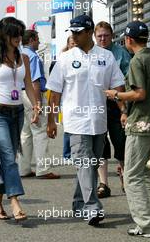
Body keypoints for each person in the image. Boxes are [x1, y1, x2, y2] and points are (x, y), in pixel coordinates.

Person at [46, 14, 125, 226]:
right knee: (84, 163)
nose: (74, 35)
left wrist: (124, 110)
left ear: (89, 32)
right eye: (72, 32)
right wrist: (51, 120)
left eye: (78, 31)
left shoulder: (106, 57)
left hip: (99, 121)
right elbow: (54, 92)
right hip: (76, 122)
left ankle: (79, 202)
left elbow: (118, 86)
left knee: (90, 165)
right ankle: (92, 208)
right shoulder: (64, 58)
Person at [105, 21, 150, 237]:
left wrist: (115, 95)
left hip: (141, 124)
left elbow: (139, 94)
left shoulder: (137, 61)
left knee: (132, 175)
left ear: (128, 39)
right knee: (144, 173)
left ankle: (146, 225)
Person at [0, 17, 39, 221]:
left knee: (9, 159)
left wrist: (35, 105)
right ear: (4, 35)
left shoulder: (23, 58)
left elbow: (29, 85)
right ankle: (15, 202)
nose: (18, 38)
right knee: (8, 156)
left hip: (17, 113)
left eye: (20, 34)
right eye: (14, 34)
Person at [94, 21, 131, 197]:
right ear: (95, 36)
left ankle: (126, 179)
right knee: (101, 144)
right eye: (99, 36)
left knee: (121, 142)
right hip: (98, 103)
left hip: (118, 102)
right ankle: (103, 184)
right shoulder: (91, 54)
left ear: (112, 36)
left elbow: (129, 79)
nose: (103, 39)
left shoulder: (121, 53)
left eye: (106, 35)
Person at [18, 30, 60, 179]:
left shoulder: (18, 54)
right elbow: (34, 81)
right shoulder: (33, 56)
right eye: (37, 39)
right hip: (32, 94)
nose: (39, 42)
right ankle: (43, 169)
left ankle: (23, 168)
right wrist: (38, 104)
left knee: (25, 134)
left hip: (20, 96)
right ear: (32, 40)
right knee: (40, 132)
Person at [62, 35, 76, 163]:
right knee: (68, 128)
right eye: (72, 43)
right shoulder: (63, 58)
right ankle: (67, 154)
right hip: (67, 100)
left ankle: (74, 154)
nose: (74, 45)